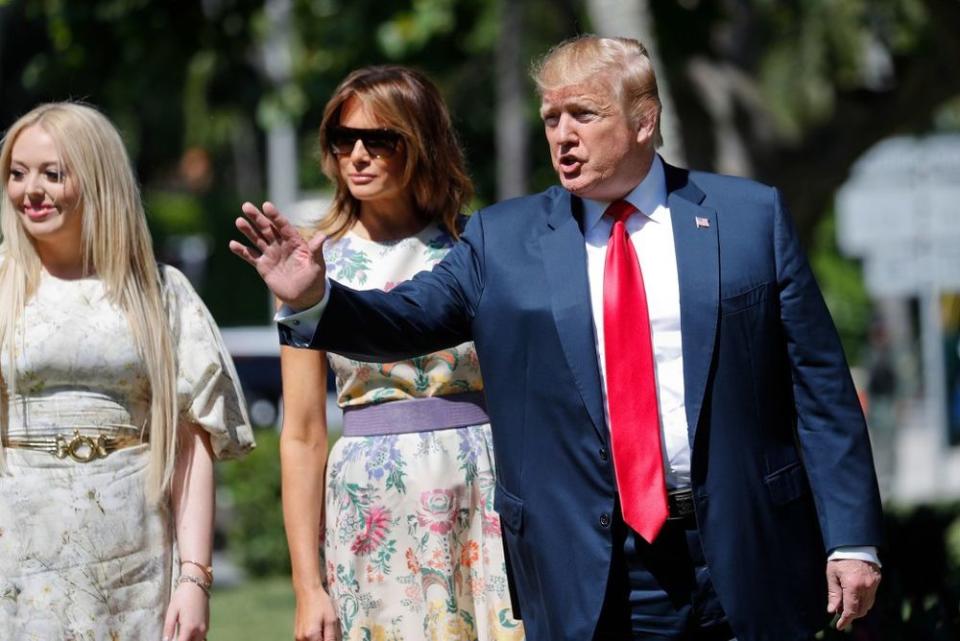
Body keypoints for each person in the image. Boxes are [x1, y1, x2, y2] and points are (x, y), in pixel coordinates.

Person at [231, 36, 884, 641]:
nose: (563, 136)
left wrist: (853, 539)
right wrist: (316, 298)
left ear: (643, 121)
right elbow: (403, 318)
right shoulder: (503, 240)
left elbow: (820, 392)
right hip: (588, 564)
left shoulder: (748, 218)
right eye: (551, 119)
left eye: (584, 115)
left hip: (742, 548)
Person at [278, 66, 524, 641]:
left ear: (421, 143)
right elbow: (304, 432)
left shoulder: (477, 247)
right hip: (370, 503)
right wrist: (307, 586)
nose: (357, 155)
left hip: (482, 490)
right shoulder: (311, 266)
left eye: (380, 140)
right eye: (343, 139)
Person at [0, 102, 254, 641]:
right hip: (18, 553)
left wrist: (194, 577)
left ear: (97, 178)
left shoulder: (161, 294)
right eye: (17, 174)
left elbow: (192, 446)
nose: (31, 190)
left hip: (132, 556)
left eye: (52, 173)